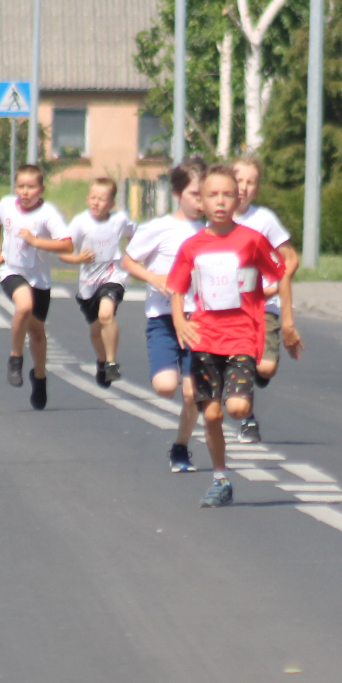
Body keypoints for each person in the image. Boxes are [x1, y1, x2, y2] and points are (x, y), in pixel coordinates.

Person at [167, 164, 303, 507]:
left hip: (242, 336)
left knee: (238, 408)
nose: (221, 201)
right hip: (203, 339)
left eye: (228, 194)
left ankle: (246, 397)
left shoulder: (251, 240)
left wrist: (286, 323)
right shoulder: (192, 246)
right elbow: (177, 288)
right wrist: (180, 322)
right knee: (211, 415)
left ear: (237, 198)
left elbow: (282, 273)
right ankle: (221, 478)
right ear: (201, 201)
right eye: (212, 195)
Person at [122, 159, 206, 472]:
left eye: (205, 195)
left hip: (198, 321)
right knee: (165, 386)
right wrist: (155, 278)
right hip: (163, 319)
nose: (201, 202)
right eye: (195, 194)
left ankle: (181, 448)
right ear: (177, 193)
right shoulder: (158, 228)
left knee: (192, 393)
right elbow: (128, 261)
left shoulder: (212, 230)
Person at [0, 164, 73, 410]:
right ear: (15, 187)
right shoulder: (5, 205)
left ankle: (40, 377)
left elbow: (67, 245)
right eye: (21, 186)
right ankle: (15, 357)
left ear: (41, 189)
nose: (25, 192)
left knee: (37, 332)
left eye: (31, 187)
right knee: (23, 306)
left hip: (40, 279)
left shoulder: (48, 214)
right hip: (11, 270)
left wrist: (36, 241)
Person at [231, 155, 299, 443]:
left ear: (257, 189)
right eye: (238, 180)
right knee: (242, 359)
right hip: (230, 307)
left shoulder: (263, 219)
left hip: (264, 304)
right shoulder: (217, 217)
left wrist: (277, 282)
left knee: (265, 367)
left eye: (250, 182)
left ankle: (258, 374)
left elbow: (290, 258)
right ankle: (247, 420)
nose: (243, 188)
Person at [60, 178, 135, 387]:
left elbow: (136, 235)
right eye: (92, 198)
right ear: (87, 199)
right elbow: (62, 251)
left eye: (102, 200)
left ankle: (111, 362)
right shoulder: (80, 222)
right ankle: (102, 363)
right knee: (95, 331)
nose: (96, 203)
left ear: (111, 204)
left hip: (113, 277)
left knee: (106, 314)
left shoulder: (120, 220)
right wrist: (77, 259)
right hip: (88, 284)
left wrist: (132, 256)